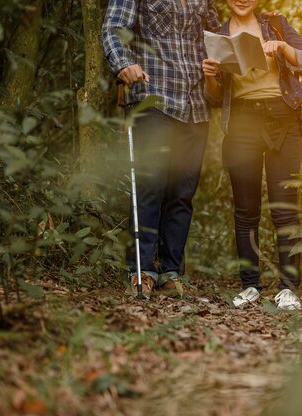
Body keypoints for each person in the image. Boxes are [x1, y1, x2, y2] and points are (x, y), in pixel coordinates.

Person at [202, 0, 302, 310]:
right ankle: (250, 286)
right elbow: (214, 100)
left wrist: (282, 46)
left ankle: (288, 287)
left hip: (283, 118)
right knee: (245, 209)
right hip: (241, 122)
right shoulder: (217, 36)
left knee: (284, 207)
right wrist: (210, 75)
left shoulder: (276, 23)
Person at [102, 0, 220, 299]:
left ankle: (170, 271)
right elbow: (114, 28)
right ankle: (141, 270)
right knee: (150, 185)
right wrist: (123, 64)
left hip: (196, 105)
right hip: (153, 98)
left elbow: (217, 39)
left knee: (182, 192)